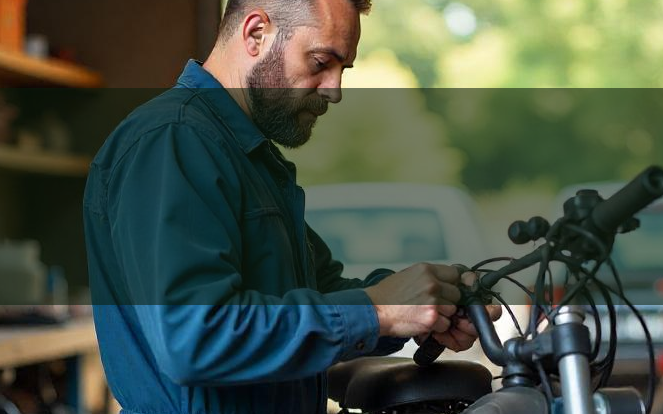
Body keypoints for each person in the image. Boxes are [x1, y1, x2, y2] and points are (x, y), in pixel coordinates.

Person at [82, 0, 502, 413]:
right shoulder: (173, 142)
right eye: (321, 62)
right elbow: (194, 336)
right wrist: (378, 311)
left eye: (343, 69)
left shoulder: (251, 161)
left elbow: (318, 297)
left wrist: (423, 301)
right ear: (256, 33)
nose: (334, 90)